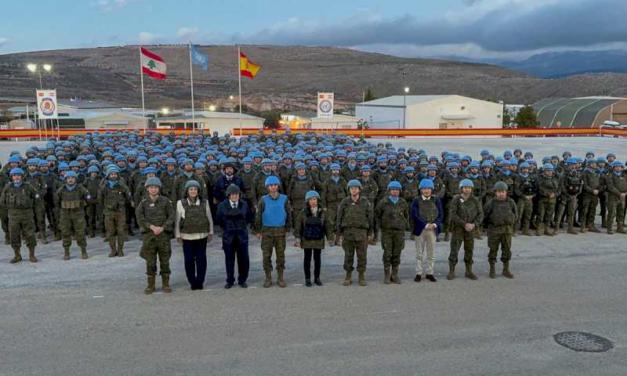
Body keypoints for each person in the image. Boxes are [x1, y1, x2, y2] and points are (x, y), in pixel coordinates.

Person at [136, 177, 175, 294]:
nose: (153, 189)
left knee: (165, 261)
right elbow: (140, 218)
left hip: (163, 236)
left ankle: (166, 284)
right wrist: (151, 227)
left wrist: (163, 227)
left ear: (159, 189)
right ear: (147, 189)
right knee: (150, 261)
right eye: (151, 187)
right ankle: (151, 285)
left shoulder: (166, 201)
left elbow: (172, 216)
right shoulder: (143, 203)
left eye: (156, 187)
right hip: (149, 236)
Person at [174, 180, 214, 290]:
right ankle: (192, 281)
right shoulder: (180, 203)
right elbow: (177, 220)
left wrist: (210, 232)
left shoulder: (204, 202)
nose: (193, 191)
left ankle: (200, 281)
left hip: (201, 236)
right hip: (186, 236)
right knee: (189, 260)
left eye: (195, 189)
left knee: (201, 259)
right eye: (191, 189)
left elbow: (209, 217)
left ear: (198, 191)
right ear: (187, 191)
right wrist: (178, 235)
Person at [254, 175, 292, 288]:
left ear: (278, 186)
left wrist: (287, 228)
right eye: (270, 185)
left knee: (281, 256)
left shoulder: (284, 199)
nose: (273, 187)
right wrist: (258, 230)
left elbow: (288, 214)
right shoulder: (263, 200)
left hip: (280, 231)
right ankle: (268, 277)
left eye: (275, 185)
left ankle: (280, 277)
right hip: (267, 231)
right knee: (266, 256)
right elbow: (258, 215)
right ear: (267, 187)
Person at [336, 179, 374, 286]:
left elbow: (370, 218)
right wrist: (339, 234)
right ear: (349, 190)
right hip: (348, 232)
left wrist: (371, 232)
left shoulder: (365, 202)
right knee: (348, 255)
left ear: (359, 189)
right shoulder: (344, 202)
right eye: (351, 188)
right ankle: (348, 275)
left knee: (362, 255)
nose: (353, 190)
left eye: (355, 188)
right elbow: (339, 217)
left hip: (361, 232)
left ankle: (361, 276)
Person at [216, 184, 253, 288]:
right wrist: (227, 227)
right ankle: (230, 280)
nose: (234, 196)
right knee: (229, 260)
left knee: (244, 259)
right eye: (232, 194)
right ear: (228, 195)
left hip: (242, 236)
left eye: (236, 194)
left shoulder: (244, 204)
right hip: (228, 236)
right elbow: (219, 220)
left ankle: (242, 280)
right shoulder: (222, 205)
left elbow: (249, 217)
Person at [294, 190, 332, 287]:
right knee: (307, 259)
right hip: (307, 239)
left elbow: (327, 225)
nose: (313, 201)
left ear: (318, 200)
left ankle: (317, 278)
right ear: (307, 201)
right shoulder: (303, 212)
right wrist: (297, 238)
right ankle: (307, 278)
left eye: (314, 199)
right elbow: (298, 226)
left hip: (318, 239)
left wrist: (330, 238)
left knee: (317, 259)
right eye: (310, 199)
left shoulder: (322, 212)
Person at [374, 181, 410, 284]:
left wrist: (405, 225)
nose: (395, 192)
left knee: (397, 253)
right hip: (387, 231)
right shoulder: (383, 202)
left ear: (400, 191)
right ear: (389, 191)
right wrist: (380, 226)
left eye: (397, 190)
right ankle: (386, 274)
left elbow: (406, 215)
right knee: (387, 253)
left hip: (399, 231)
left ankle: (395, 274)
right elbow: (377, 215)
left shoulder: (403, 202)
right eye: (393, 190)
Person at [0, 168, 39, 263]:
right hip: (14, 215)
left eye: (18, 175)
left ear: (22, 176)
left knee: (30, 235)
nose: (16, 177)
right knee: (14, 235)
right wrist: (10, 210)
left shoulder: (28, 187)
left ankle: (32, 255)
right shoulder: (8, 187)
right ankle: (17, 255)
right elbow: (2, 201)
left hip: (27, 214)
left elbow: (36, 198)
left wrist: (30, 208)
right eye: (14, 175)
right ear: (11, 177)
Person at [448, 179, 483, 280]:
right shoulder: (456, 199)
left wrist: (474, 224)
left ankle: (469, 271)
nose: (467, 190)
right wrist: (464, 224)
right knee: (454, 250)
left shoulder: (475, 200)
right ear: (461, 188)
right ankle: (451, 271)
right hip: (458, 229)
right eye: (465, 187)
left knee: (469, 250)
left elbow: (480, 214)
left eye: (469, 188)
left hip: (471, 229)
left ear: (471, 189)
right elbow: (453, 214)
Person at [411, 178, 444, 282]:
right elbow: (414, 215)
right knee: (419, 253)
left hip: (432, 230)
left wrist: (434, 224)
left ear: (432, 189)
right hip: (420, 229)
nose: (426, 190)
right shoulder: (416, 200)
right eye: (424, 188)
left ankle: (430, 272)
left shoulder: (436, 199)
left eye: (428, 188)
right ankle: (418, 273)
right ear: (421, 190)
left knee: (431, 252)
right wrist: (425, 225)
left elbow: (441, 214)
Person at [483, 181, 518, 279]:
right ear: (495, 192)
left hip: (507, 230)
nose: (501, 194)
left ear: (506, 192)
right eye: (499, 192)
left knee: (506, 250)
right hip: (494, 230)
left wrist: (511, 223)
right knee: (493, 250)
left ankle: (506, 269)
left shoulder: (511, 202)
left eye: (503, 191)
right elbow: (484, 216)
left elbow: (516, 214)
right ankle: (492, 269)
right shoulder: (491, 203)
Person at [55, 171, 91, 260]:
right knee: (65, 232)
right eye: (68, 178)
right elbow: (56, 201)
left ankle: (83, 251)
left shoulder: (80, 188)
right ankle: (66, 252)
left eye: (72, 178)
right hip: (65, 213)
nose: (70, 180)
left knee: (80, 232)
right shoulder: (61, 189)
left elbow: (88, 198)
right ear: (65, 180)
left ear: (76, 179)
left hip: (78, 213)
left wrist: (83, 204)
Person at [99, 166, 132, 256]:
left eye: (115, 174)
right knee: (110, 232)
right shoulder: (104, 187)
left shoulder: (122, 186)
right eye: (111, 174)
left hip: (120, 212)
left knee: (121, 231)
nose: (113, 176)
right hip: (109, 212)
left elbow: (128, 197)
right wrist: (105, 209)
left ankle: (120, 250)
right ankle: (113, 250)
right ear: (108, 175)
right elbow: (100, 199)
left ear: (118, 175)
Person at [605, 161, 627, 234]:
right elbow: (610, 187)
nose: (618, 168)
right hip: (613, 197)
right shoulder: (610, 176)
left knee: (621, 213)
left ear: (622, 168)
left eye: (620, 167)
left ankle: (620, 227)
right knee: (612, 213)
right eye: (616, 166)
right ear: (613, 168)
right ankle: (609, 228)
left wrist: (625, 193)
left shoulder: (624, 176)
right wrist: (619, 193)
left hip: (623, 197)